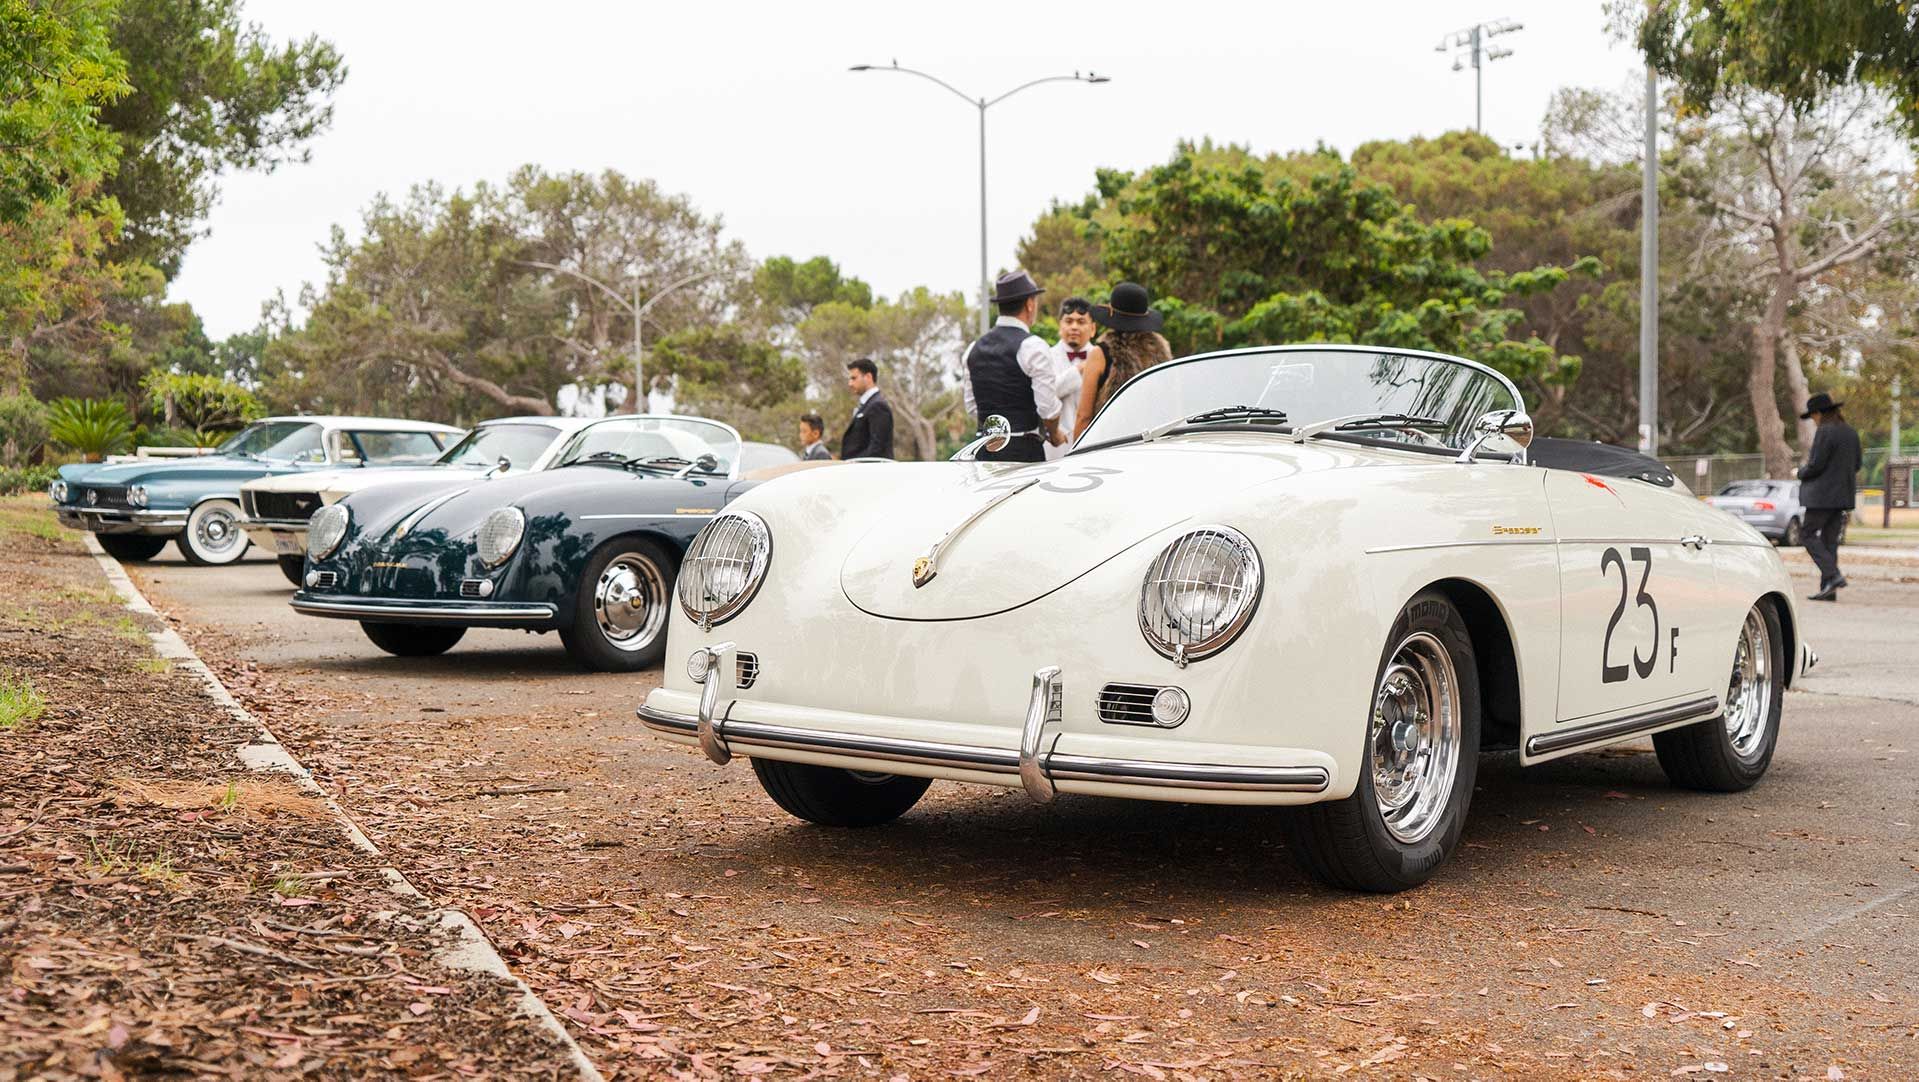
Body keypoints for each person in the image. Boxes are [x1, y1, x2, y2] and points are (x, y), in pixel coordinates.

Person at [960, 269, 1064, 463]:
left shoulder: (972, 350)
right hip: (1024, 452)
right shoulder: (1034, 347)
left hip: (983, 451)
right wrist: (1055, 433)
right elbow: (1047, 409)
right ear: (1030, 304)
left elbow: (972, 407)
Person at [1075, 282, 1173, 443]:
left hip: (1112, 444)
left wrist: (1076, 456)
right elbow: (1171, 403)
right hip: (1155, 443)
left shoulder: (1101, 353)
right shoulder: (1162, 349)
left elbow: (1084, 416)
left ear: (1112, 312)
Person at [1798, 391, 1862, 601]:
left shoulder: (1825, 432)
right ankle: (1829, 589)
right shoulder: (1851, 433)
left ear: (1819, 413)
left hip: (1821, 497)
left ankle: (1833, 576)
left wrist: (1800, 472)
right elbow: (1858, 465)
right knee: (1829, 541)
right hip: (1842, 497)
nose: (1814, 422)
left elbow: (1816, 465)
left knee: (1807, 534)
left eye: (1813, 417)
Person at [1044, 297, 1097, 460]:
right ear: (1060, 325)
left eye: (1081, 322)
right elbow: (1047, 393)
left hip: (1094, 444)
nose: (1074, 327)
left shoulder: (1101, 356)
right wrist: (1079, 369)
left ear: (1093, 328)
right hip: (1055, 447)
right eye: (1069, 321)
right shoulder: (1046, 356)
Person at [839, 359, 894, 460]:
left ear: (868, 377)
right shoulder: (867, 405)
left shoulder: (878, 405)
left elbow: (877, 448)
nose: (850, 383)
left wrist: (853, 464)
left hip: (869, 472)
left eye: (854, 378)